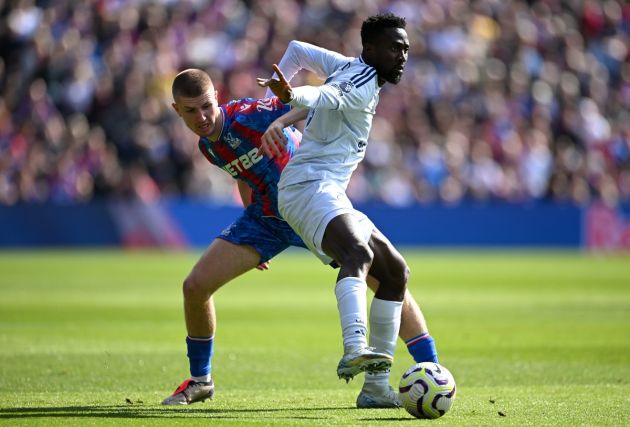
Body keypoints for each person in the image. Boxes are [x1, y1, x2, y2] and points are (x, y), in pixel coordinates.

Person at [163, 65, 437, 408]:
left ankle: (432, 367)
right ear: (177, 110)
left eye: (206, 105)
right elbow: (244, 173)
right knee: (194, 286)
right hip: (265, 221)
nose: (201, 116)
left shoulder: (249, 114)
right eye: (191, 111)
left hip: (309, 204)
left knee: (385, 278)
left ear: (217, 96)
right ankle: (201, 380)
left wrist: (283, 119)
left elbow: (316, 100)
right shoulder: (208, 145)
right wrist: (249, 236)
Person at [257, 13, 435, 408]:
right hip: (307, 187)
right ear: (370, 50)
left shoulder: (349, 67)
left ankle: (375, 389)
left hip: (328, 190)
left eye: (405, 48)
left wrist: (272, 101)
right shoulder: (357, 82)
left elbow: (298, 51)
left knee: (395, 273)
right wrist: (285, 99)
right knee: (359, 253)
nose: (402, 55)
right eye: (394, 48)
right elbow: (323, 96)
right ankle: (354, 345)